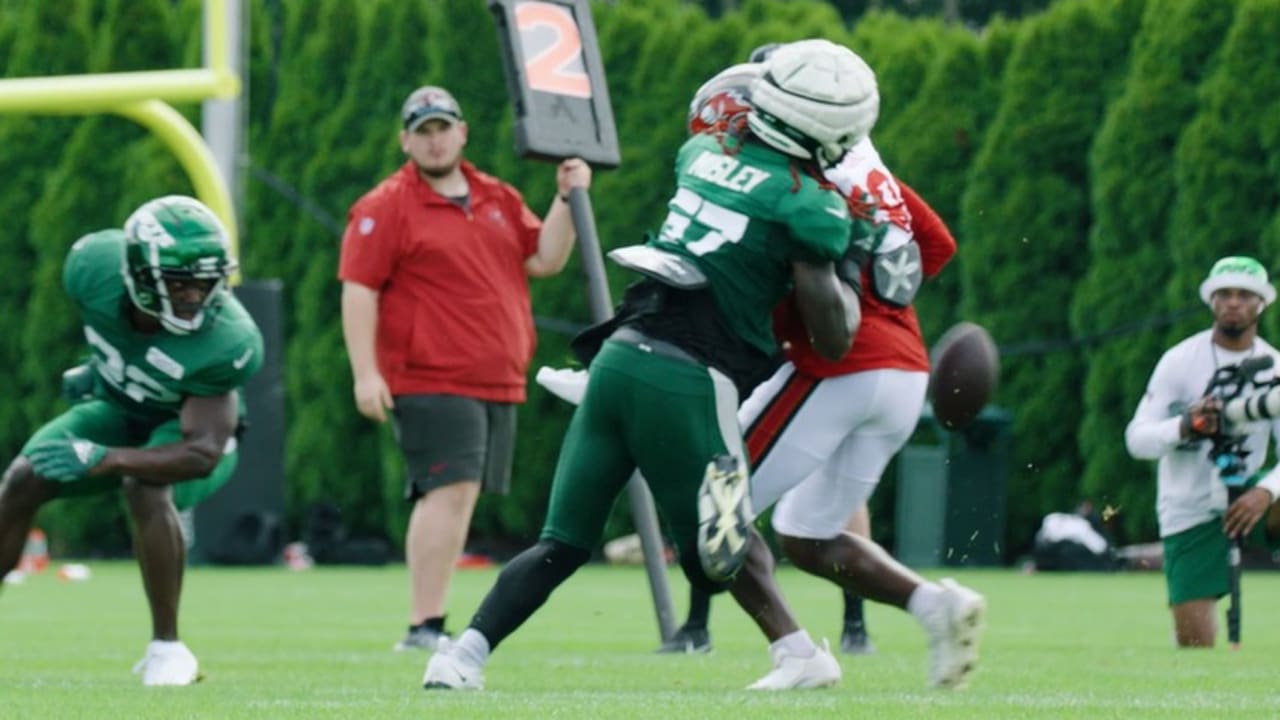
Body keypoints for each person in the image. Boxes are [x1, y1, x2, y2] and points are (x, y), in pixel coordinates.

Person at [422, 38, 878, 691]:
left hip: (620, 356)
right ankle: (794, 647)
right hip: (692, 374)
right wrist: (848, 267)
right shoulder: (809, 205)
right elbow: (832, 335)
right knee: (715, 547)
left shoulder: (703, 153)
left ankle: (462, 653)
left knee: (563, 540)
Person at [658, 47, 985, 691]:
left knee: (712, 504)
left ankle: (796, 655)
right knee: (806, 536)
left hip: (839, 365)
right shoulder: (865, 163)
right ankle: (934, 606)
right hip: (903, 370)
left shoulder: (791, 171)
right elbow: (934, 246)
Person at [338, 85, 592, 652]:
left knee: (463, 496)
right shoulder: (386, 206)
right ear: (406, 140)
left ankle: (428, 620)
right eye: (422, 131)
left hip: (495, 376)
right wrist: (365, 372)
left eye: (442, 128)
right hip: (429, 374)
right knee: (448, 491)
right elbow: (359, 291)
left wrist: (566, 199)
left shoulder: (495, 196)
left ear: (462, 132)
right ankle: (423, 625)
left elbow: (544, 258)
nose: (433, 141)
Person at [0, 195, 262, 686]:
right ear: (138, 275)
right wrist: (102, 374)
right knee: (23, 476)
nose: (195, 297)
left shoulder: (228, 340)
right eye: (180, 284)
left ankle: (168, 649)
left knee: (144, 484)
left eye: (206, 284)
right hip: (121, 409)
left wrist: (105, 459)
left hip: (193, 435)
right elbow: (128, 344)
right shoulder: (92, 270)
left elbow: (199, 452)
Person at [1125, 256, 1280, 647]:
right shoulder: (1179, 361)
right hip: (1189, 508)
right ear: (1211, 301)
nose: (1233, 303)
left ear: (1261, 303)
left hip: (1249, 497)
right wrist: (1184, 426)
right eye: (1224, 294)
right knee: (1197, 644)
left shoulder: (1275, 366)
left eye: (1244, 295)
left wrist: (1265, 493)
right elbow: (1137, 439)